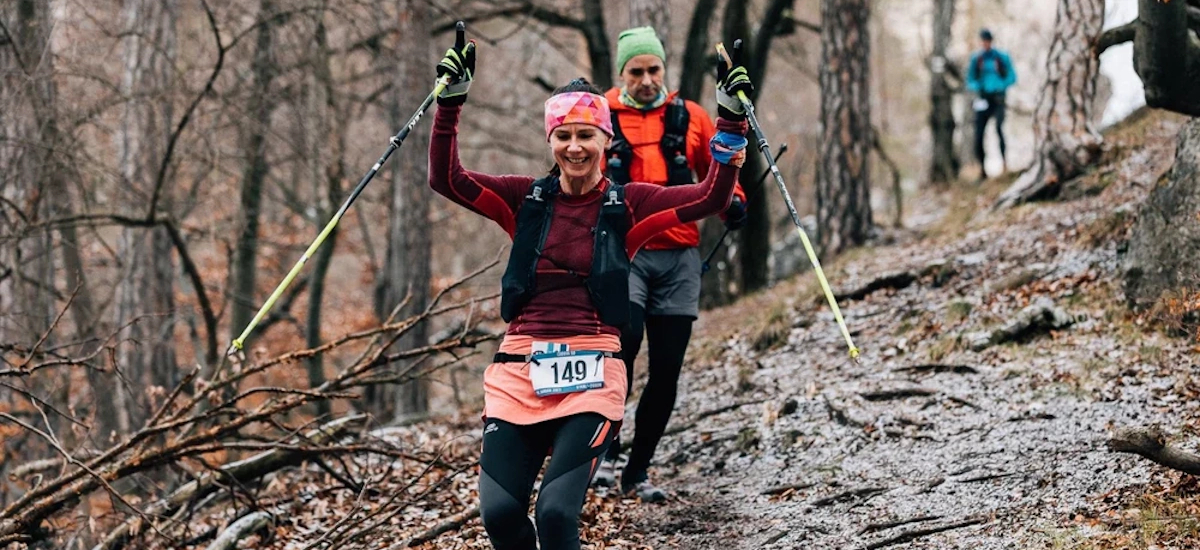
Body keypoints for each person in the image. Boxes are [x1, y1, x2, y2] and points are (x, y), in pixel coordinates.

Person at [428, 27, 753, 550]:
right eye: (563, 135)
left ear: (607, 139)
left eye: (586, 134)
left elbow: (711, 197)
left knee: (556, 515)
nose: (574, 146)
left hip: (593, 373)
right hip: (518, 372)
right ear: (551, 141)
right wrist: (449, 103)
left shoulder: (630, 204)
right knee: (501, 515)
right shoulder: (524, 200)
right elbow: (447, 179)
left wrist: (730, 117)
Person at [591, 26, 747, 503]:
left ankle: (637, 473)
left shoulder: (692, 116)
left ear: (664, 69)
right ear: (621, 73)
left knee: (668, 368)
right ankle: (605, 457)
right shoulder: (600, 115)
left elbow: (719, 174)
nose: (645, 79)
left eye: (653, 69)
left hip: (680, 256)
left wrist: (734, 203)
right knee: (622, 349)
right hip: (624, 252)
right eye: (635, 71)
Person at [966, 28, 1017, 179]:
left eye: (987, 41)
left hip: (998, 99)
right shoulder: (977, 59)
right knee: (979, 134)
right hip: (983, 99)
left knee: (999, 130)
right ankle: (982, 169)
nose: (985, 44)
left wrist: (1001, 86)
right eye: (982, 41)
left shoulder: (1001, 57)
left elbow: (1012, 77)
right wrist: (978, 87)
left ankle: (1004, 164)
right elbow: (970, 79)